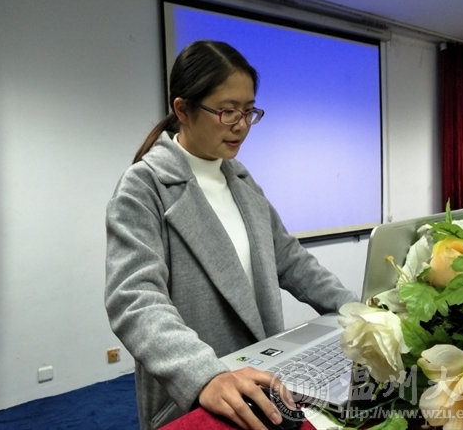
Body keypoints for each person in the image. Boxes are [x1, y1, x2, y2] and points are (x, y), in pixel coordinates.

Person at [105, 40, 358, 430]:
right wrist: (205, 374)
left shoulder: (240, 178)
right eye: (227, 111)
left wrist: (357, 311)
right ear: (183, 110)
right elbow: (135, 299)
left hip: (264, 380)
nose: (240, 125)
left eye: (248, 111)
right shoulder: (145, 185)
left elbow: (292, 261)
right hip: (200, 394)